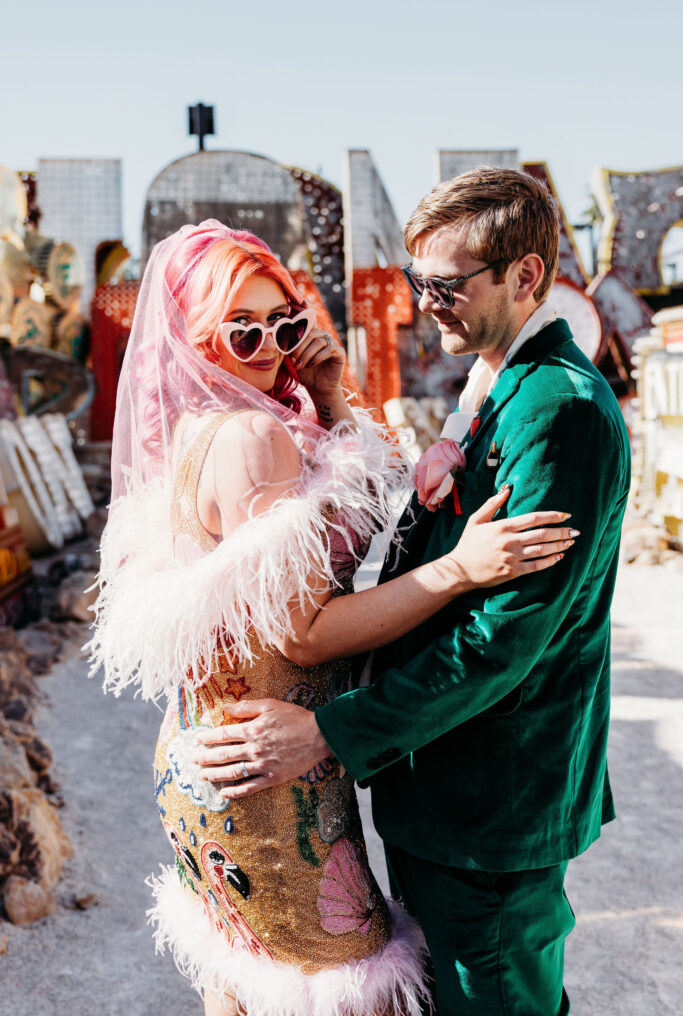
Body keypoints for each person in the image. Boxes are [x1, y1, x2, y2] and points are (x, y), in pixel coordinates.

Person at [89, 219, 576, 1016]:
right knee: (347, 990)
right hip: (264, 773)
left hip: (214, 750)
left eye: (282, 322)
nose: (270, 347)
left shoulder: (200, 428)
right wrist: (459, 571)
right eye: (240, 331)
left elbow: (337, 532)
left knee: (250, 981)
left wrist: (329, 400)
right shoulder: (251, 437)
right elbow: (302, 633)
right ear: (193, 338)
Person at [195, 170, 632, 1015]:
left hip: (490, 799)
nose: (425, 302)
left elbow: (502, 642)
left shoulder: (558, 409)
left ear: (525, 277)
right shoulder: (498, 382)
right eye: (414, 279)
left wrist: (326, 731)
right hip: (442, 788)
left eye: (445, 284)